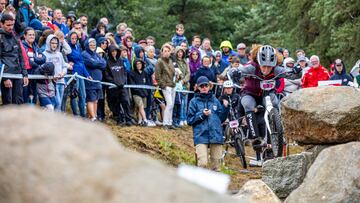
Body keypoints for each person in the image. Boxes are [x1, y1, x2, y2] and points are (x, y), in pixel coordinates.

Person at [231, 45, 288, 141]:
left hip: (267, 93)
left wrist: (295, 71)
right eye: (263, 66)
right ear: (258, 62)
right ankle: (255, 137)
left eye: (269, 67)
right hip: (250, 93)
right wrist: (235, 72)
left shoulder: (276, 69)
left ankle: (274, 139)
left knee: (274, 103)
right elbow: (239, 70)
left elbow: (288, 72)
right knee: (248, 104)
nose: (266, 69)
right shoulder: (252, 67)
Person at [187, 76, 229, 171]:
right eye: (201, 86)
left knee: (216, 167)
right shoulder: (193, 102)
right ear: (198, 87)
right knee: (203, 163)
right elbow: (189, 120)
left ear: (209, 86)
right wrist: (202, 115)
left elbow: (221, 119)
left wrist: (226, 108)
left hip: (216, 135)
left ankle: (214, 185)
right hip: (201, 136)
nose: (204, 87)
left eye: (206, 85)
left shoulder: (215, 100)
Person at [0, 13, 29, 105]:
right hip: (6, 74)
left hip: (18, 74)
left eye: (12, 25)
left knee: (18, 102)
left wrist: (25, 74)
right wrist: (5, 78)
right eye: (8, 25)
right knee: (8, 103)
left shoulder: (15, 37)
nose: (10, 27)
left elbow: (21, 57)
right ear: (2, 24)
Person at [105, 45, 134, 125]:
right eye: (112, 51)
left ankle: (128, 119)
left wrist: (123, 81)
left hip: (122, 85)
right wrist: (114, 82)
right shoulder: (107, 62)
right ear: (110, 52)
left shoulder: (120, 60)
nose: (114, 53)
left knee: (126, 101)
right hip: (113, 87)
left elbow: (124, 72)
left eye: (115, 51)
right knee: (116, 104)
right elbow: (107, 75)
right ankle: (119, 119)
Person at [82, 38, 107, 121]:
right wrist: (98, 63)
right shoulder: (85, 54)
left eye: (94, 45)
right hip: (90, 81)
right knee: (90, 99)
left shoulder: (96, 55)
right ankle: (92, 117)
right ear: (87, 46)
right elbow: (92, 63)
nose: (92, 46)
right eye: (91, 45)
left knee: (96, 100)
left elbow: (104, 64)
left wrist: (97, 63)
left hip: (98, 81)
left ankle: (94, 116)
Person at [66, 31, 90, 117]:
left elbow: (81, 62)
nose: (74, 40)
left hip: (81, 74)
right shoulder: (67, 48)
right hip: (73, 75)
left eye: (75, 38)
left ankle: (83, 115)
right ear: (69, 38)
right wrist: (68, 62)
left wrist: (87, 74)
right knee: (74, 95)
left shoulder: (78, 47)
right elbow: (66, 59)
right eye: (72, 38)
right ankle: (76, 115)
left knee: (83, 95)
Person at [155, 44, 178, 129]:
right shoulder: (159, 61)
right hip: (166, 86)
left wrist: (177, 75)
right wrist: (163, 85)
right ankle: (165, 123)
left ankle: (169, 122)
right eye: (165, 51)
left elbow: (172, 73)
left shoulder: (171, 61)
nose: (167, 53)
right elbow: (157, 76)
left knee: (172, 105)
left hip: (172, 85)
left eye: (168, 51)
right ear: (162, 52)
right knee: (169, 104)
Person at [129, 59, 149, 126]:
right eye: (137, 64)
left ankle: (140, 121)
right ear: (135, 65)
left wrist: (146, 91)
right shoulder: (132, 73)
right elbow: (132, 84)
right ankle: (145, 120)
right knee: (140, 106)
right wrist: (138, 90)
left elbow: (147, 82)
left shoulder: (144, 72)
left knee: (142, 108)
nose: (138, 65)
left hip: (144, 93)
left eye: (140, 63)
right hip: (136, 94)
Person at [173, 46, 190, 126]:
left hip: (185, 85)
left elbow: (188, 72)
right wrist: (180, 80)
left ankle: (184, 118)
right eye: (179, 52)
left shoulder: (185, 62)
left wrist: (184, 80)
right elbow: (175, 72)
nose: (180, 54)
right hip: (178, 84)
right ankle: (180, 118)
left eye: (181, 52)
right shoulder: (174, 62)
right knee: (180, 103)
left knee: (185, 103)